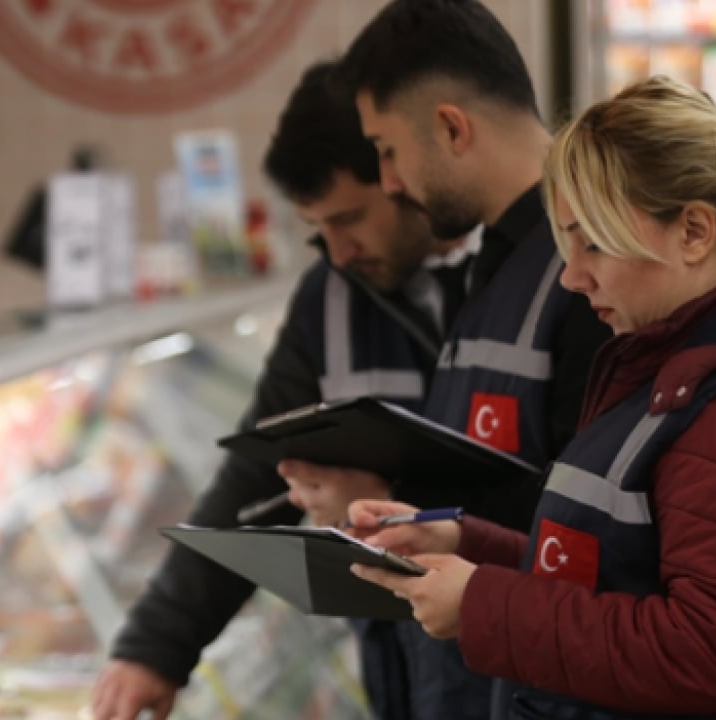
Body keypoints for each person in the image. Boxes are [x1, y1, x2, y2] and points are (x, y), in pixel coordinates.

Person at [350, 75, 716, 720]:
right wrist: (466, 546)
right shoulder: (670, 371)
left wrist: (483, 605)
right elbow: (613, 571)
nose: (574, 277)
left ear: (693, 232)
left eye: (595, 243)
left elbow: (711, 650)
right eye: (565, 243)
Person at [90, 60, 462, 720]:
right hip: (399, 662)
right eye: (320, 230)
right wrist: (156, 647)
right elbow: (258, 473)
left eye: (351, 218)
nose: (339, 251)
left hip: (511, 657)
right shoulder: (332, 297)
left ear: (401, 172)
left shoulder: (537, 278)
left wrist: (392, 507)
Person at [277, 1, 610, 717]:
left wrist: (413, 510)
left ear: (452, 127)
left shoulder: (588, 276)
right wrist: (402, 513)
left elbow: (596, 537)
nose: (389, 182)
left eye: (388, 150)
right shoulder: (500, 263)